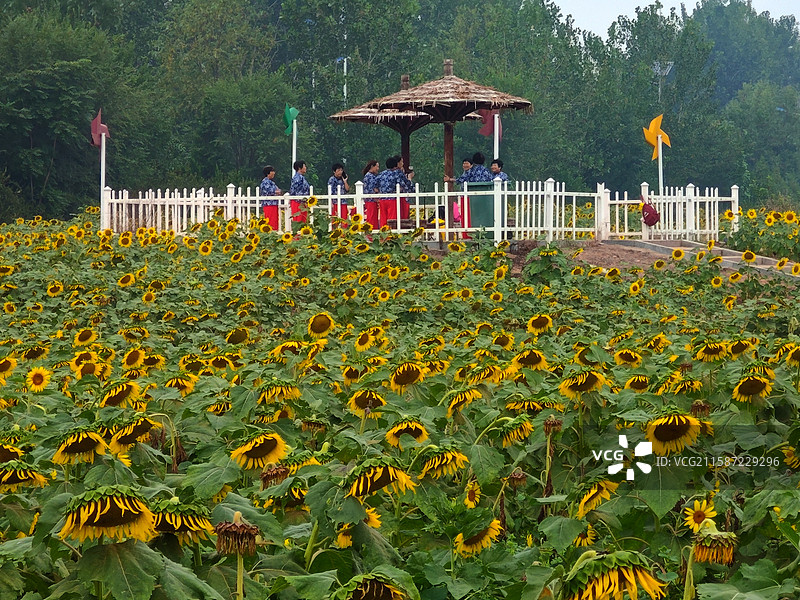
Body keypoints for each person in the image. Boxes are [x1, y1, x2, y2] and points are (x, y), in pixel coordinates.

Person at [377, 155, 414, 228]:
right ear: (396, 164)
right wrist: (409, 179)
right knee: (392, 219)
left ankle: (383, 232)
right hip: (392, 199)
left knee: (383, 218)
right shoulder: (397, 173)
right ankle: (392, 233)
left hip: (382, 199)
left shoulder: (382, 174)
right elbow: (404, 184)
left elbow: (376, 184)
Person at [361, 160, 380, 228]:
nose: (378, 168)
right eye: (377, 166)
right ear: (372, 166)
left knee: (373, 217)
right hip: (371, 200)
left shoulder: (371, 176)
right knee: (372, 218)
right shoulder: (369, 176)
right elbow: (371, 189)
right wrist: (376, 198)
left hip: (371, 200)